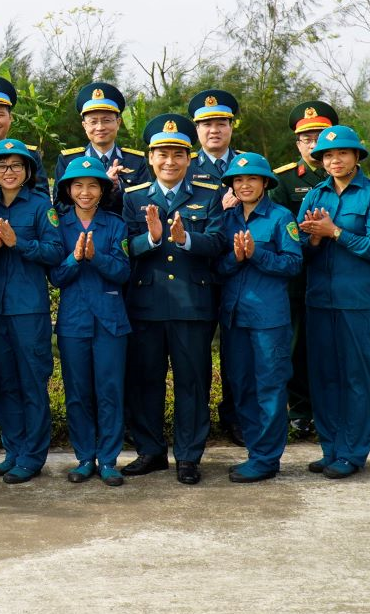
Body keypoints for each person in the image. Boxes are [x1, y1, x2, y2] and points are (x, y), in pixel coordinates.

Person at [120, 113, 226, 485]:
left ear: (189, 158)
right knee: (144, 380)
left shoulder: (209, 195)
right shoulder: (133, 198)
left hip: (191, 306)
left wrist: (185, 240)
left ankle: (188, 455)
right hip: (146, 306)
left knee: (192, 382)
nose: (169, 161)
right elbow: (122, 247)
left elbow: (218, 243)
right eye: (162, 154)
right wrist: (149, 239)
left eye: (178, 154)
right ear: (150, 158)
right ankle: (150, 451)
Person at [296, 124, 370, 479]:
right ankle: (331, 448)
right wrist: (316, 240)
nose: (335, 160)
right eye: (328, 155)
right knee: (323, 378)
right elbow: (299, 249)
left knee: (356, 379)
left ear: (356, 157)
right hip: (320, 302)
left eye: (342, 154)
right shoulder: (314, 196)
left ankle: (353, 452)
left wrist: (335, 232)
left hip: (357, 303)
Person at [209, 153, 302, 482]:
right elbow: (217, 269)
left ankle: (267, 458)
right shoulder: (226, 220)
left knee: (270, 388)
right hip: (235, 318)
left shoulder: (280, 217)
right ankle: (255, 453)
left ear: (265, 183)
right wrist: (235, 258)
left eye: (251, 179)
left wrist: (256, 254)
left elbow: (293, 263)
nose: (244, 184)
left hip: (268, 319)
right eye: (237, 180)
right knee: (242, 386)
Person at [0, 139, 65, 483]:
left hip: (29, 309)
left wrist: (20, 244)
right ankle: (13, 450)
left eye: (17, 165)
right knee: (4, 384)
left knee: (32, 383)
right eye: (2, 166)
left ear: (28, 171)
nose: (9, 171)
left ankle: (32, 456)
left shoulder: (40, 205)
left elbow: (56, 251)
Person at [50, 157, 133, 486]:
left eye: (93, 185)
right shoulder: (58, 224)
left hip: (110, 320)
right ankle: (85, 457)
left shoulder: (116, 224)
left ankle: (109, 459)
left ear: (103, 190)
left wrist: (95, 256)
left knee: (111, 390)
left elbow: (124, 272)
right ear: (68, 190)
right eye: (78, 185)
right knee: (78, 392)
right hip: (73, 320)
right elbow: (56, 275)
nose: (85, 192)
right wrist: (75, 258)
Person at [271, 100, 340, 438]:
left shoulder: (346, 174)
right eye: (306, 138)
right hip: (299, 278)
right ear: (297, 144)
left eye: (320, 136)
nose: (314, 144)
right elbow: (281, 230)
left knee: (333, 345)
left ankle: (331, 407)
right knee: (298, 346)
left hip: (339, 274)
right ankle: (299, 409)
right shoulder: (283, 180)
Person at [186, 88, 244, 446]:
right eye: (206, 125)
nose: (214, 130)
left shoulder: (247, 165)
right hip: (199, 274)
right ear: (196, 130)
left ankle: (235, 416)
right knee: (197, 353)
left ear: (231, 127)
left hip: (239, 270)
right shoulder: (185, 167)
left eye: (220, 123)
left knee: (237, 350)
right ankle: (199, 418)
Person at [54, 81, 150, 196]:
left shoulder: (136, 161)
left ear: (118, 123)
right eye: (93, 122)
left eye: (107, 120)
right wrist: (102, 187)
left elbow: (145, 202)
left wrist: (118, 186)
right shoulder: (69, 161)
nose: (100, 127)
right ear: (84, 126)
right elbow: (60, 205)